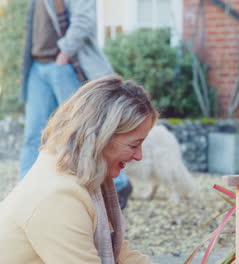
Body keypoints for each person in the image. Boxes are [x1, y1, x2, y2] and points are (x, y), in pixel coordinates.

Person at [0, 76, 157, 263]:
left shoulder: (77, 173)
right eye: (133, 145)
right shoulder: (58, 197)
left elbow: (122, 255)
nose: (139, 156)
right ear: (101, 138)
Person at [20, 0, 133, 208]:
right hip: (37, 66)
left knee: (83, 129)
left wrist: (64, 54)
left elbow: (84, 20)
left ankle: (118, 183)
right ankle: (25, 193)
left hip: (64, 65)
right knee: (33, 134)